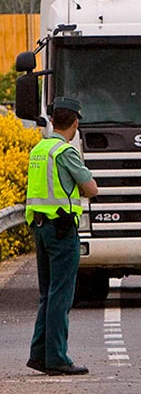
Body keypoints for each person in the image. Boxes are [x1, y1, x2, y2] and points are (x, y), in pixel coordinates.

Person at [25, 97, 98, 376]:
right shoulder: (65, 152)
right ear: (75, 123)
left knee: (47, 294)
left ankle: (38, 354)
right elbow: (91, 189)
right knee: (60, 296)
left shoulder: (39, 150)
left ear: (53, 120)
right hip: (61, 229)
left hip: (40, 228)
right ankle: (57, 357)